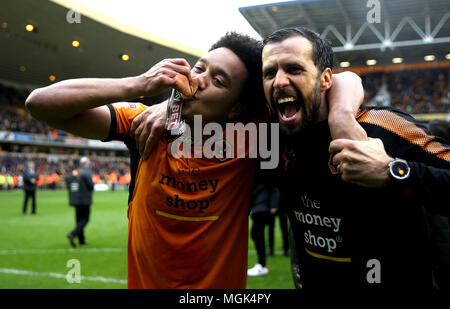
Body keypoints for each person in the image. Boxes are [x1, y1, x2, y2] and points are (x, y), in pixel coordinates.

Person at [26, 32, 364, 288]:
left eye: (218, 80)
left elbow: (344, 79)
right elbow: (41, 103)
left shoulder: (254, 135)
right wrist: (139, 84)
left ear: (236, 109)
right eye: (200, 68)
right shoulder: (145, 125)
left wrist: (343, 115)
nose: (198, 80)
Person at [261, 26, 450, 289]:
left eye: (294, 69)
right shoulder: (272, 137)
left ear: (326, 79)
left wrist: (393, 171)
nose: (279, 81)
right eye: (270, 72)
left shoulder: (382, 126)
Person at [247, 169, 280, 277]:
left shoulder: (266, 176)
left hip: (263, 209)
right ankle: (262, 264)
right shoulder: (256, 180)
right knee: (257, 234)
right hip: (259, 210)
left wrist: (274, 205)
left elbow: (275, 188)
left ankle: (262, 265)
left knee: (256, 234)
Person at [65, 157, 94, 247]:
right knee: (85, 219)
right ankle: (73, 234)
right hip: (84, 199)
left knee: (78, 219)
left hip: (75, 199)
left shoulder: (75, 172)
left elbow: (68, 182)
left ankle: (81, 240)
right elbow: (91, 186)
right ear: (86, 163)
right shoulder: (87, 172)